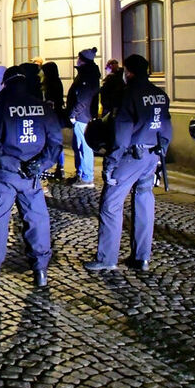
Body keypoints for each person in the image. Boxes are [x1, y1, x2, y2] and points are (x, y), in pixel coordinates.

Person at [0, 64, 63, 292]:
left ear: (5, 83)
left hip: (5, 175)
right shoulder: (42, 108)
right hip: (31, 177)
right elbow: (55, 143)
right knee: (37, 220)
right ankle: (40, 270)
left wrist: (12, 164)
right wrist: (39, 165)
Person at [84, 54, 172, 272]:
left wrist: (110, 163)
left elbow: (122, 134)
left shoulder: (128, 94)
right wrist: (162, 157)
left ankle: (107, 258)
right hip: (152, 155)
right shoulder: (160, 95)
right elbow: (167, 128)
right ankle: (141, 257)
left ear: (129, 72)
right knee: (144, 203)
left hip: (131, 156)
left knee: (111, 204)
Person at [65, 47, 101, 188]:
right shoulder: (87, 74)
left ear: (83, 60)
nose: (77, 60)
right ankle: (81, 174)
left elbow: (83, 99)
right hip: (82, 116)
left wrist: (73, 114)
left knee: (84, 146)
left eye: (79, 58)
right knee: (77, 146)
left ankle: (87, 177)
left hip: (82, 117)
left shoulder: (87, 76)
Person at [41, 62, 67, 179]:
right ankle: (60, 167)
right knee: (57, 141)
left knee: (50, 141)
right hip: (56, 116)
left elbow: (51, 100)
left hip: (51, 116)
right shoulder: (57, 81)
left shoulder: (51, 83)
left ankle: (48, 166)